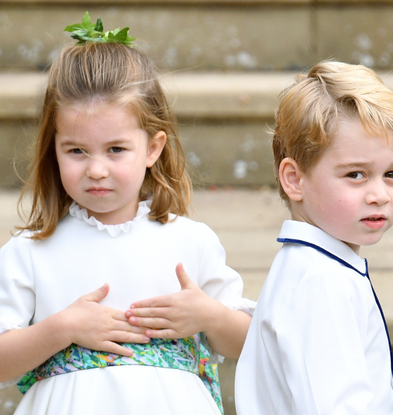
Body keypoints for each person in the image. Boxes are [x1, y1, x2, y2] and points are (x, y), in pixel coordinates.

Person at [0, 13, 254, 415]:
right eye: (76, 150)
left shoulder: (190, 240)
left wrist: (210, 316)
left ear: (153, 149)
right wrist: (62, 328)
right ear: (54, 149)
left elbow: (250, 345)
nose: (96, 169)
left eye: (116, 149)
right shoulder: (30, 251)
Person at [235, 61, 393, 415]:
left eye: (392, 173)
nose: (379, 193)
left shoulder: (317, 267)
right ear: (294, 179)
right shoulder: (320, 282)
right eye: (356, 174)